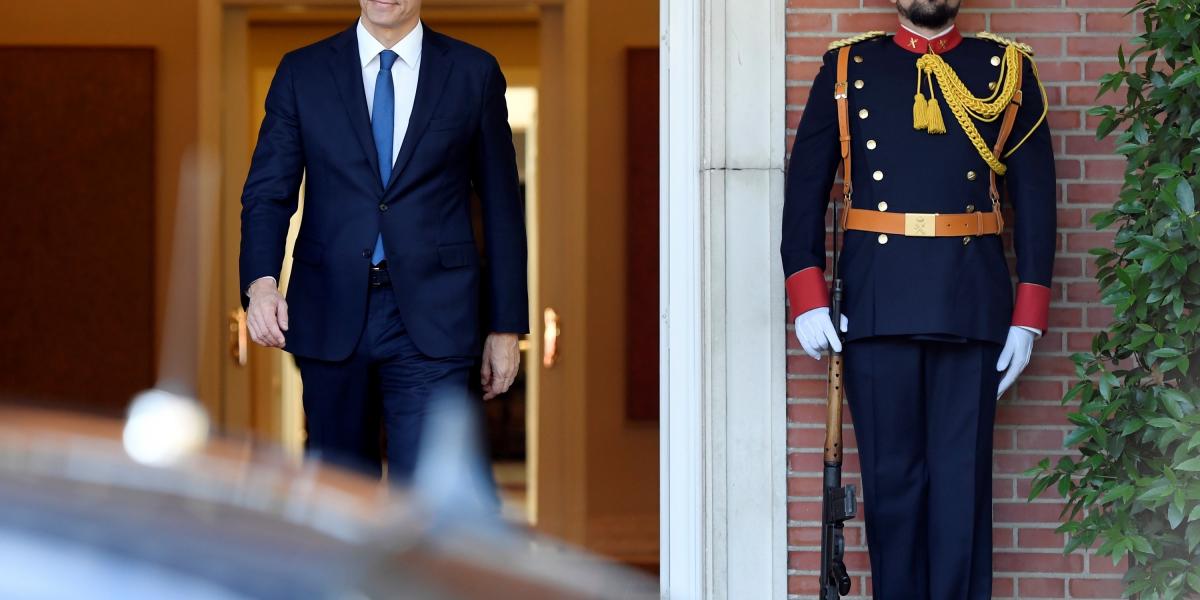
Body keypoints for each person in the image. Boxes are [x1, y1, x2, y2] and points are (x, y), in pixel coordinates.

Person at [781, 0, 1055, 597]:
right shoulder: (847, 68)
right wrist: (807, 295)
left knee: (962, 493)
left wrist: (1027, 318)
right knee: (891, 491)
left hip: (971, 303)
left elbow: (1034, 197)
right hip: (879, 302)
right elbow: (806, 189)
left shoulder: (1005, 69)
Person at [239, 0, 528, 482]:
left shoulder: (472, 73)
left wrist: (505, 326)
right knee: (340, 495)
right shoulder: (302, 72)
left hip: (436, 317)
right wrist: (261, 283)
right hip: (330, 309)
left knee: (429, 496)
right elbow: (269, 192)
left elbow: (502, 207)